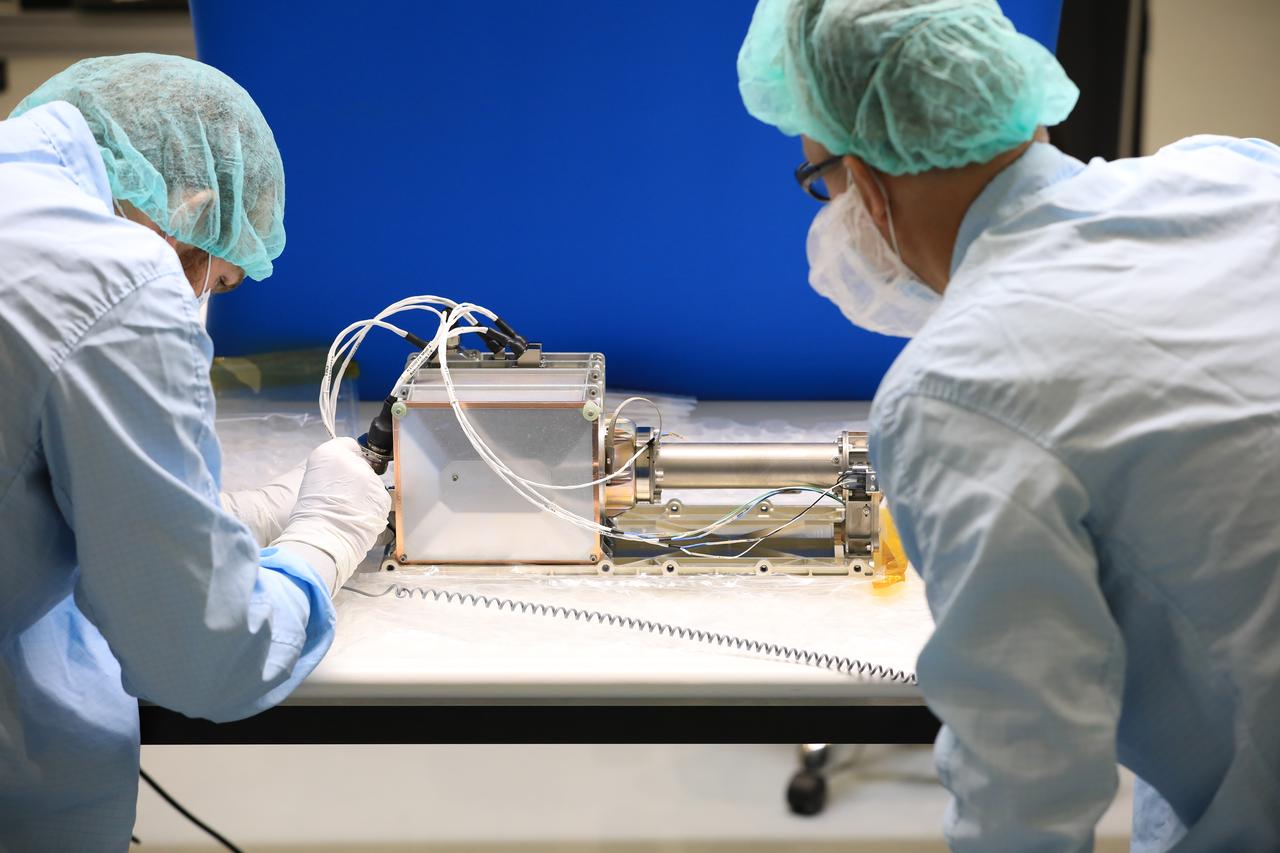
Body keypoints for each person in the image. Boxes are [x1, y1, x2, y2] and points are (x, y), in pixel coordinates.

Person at [738, 0, 1280, 849]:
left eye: (821, 182)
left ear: (868, 184)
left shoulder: (956, 389)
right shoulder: (1236, 175)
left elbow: (1025, 792)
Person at [0, 54, 391, 850]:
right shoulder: (115, 275)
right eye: (219, 279)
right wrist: (324, 538)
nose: (202, 298)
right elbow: (203, 655)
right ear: (193, 203)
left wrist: (249, 513)